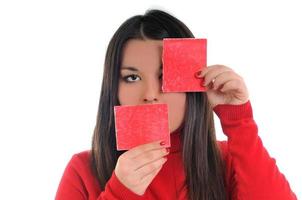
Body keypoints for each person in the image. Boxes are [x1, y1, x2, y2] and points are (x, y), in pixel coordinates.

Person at [55, 9, 297, 200]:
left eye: (164, 77)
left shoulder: (228, 162)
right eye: (132, 77)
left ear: (192, 87)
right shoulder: (83, 170)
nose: (150, 94)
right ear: (113, 89)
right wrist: (120, 192)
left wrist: (239, 121)